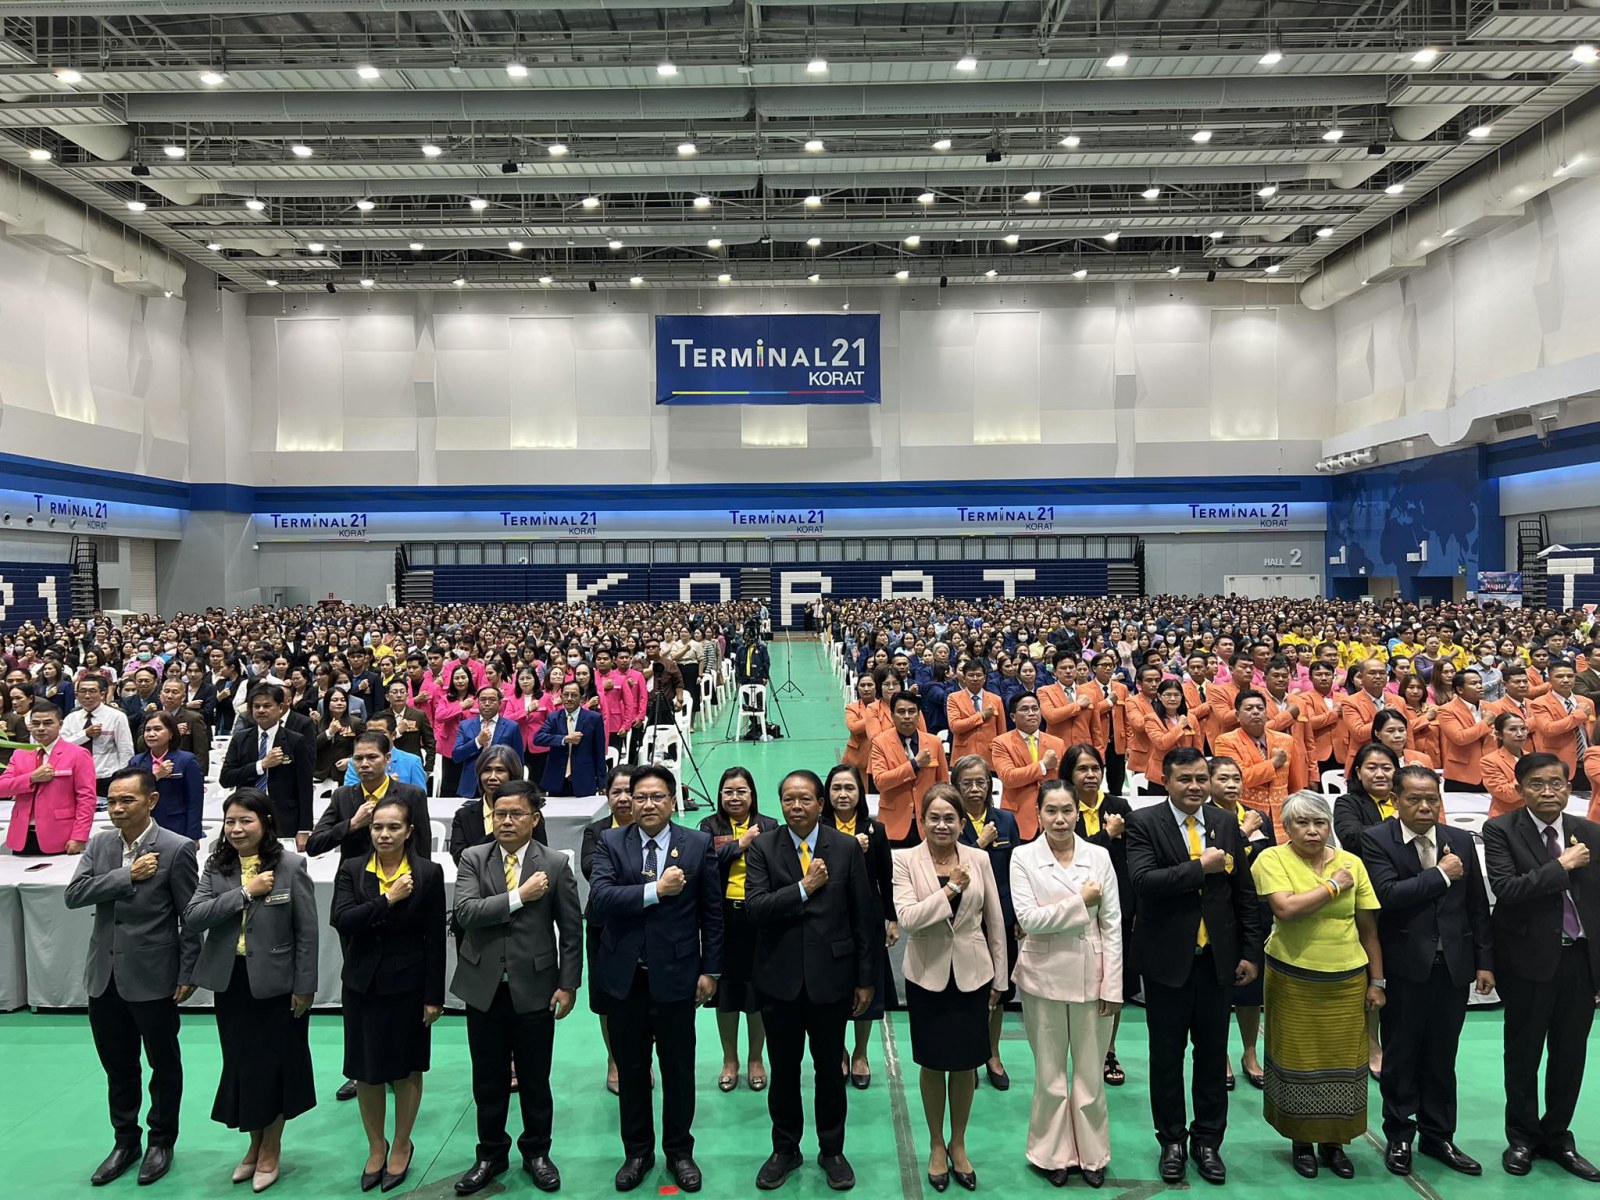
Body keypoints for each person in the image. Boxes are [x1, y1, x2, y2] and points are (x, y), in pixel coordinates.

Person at [1126, 747, 1265, 1186]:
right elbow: (1144, 882)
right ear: (1166, 781)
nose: (1195, 787)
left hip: (1217, 962)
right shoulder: (1144, 822)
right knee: (1166, 1058)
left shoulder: (1224, 822)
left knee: (1211, 1057)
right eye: (1185, 779)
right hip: (1167, 963)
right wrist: (1198, 867)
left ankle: (1208, 1142)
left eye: (1201, 778)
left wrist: (1250, 952)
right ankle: (1171, 1141)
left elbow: (1244, 893)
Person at [587, 764, 723, 1194]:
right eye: (640, 797)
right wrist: (655, 890)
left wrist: (711, 970)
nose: (648, 804)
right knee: (632, 1070)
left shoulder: (697, 844)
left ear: (672, 800)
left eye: (657, 796)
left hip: (678, 977)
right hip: (625, 978)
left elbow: (712, 914)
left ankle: (680, 1151)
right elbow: (601, 898)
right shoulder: (611, 842)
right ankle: (637, 1152)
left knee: (679, 1070)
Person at [64, 766, 201, 1187]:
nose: (117, 809)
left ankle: (162, 1140)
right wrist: (127, 876)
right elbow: (74, 895)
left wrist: (187, 969)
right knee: (118, 1066)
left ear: (151, 801)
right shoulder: (100, 844)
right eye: (112, 801)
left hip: (154, 975)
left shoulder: (177, 848)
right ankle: (125, 1141)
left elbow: (191, 917)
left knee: (163, 1064)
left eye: (127, 800)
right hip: (103, 976)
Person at [744, 769, 878, 1192]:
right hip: (779, 980)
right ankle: (785, 1149)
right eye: (788, 799)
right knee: (783, 1071)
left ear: (821, 804)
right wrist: (803, 888)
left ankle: (832, 1149)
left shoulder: (846, 848)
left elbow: (863, 916)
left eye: (805, 799)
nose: (796, 806)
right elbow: (756, 908)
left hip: (832, 980)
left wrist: (865, 979)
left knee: (829, 1071)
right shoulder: (763, 847)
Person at [450, 782, 582, 1196]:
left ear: (534, 818)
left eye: (516, 814)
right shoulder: (474, 858)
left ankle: (537, 1152)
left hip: (536, 988)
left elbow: (571, 930)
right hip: (483, 988)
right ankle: (490, 1154)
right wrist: (519, 896)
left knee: (535, 1078)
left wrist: (568, 984)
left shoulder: (556, 864)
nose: (506, 821)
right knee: (487, 1080)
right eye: (499, 814)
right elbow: (465, 913)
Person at [183, 789, 318, 1193]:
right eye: (230, 821)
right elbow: (194, 916)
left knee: (275, 1068)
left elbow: (306, 932)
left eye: (246, 820)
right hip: (233, 983)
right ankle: (254, 1145)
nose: (237, 829)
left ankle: (271, 1148)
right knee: (243, 1067)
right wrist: (244, 893)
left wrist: (305, 986)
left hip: (278, 985)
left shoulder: (290, 865)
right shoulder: (217, 865)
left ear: (265, 822)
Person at [1362, 767, 1494, 1178]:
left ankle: (1439, 1136)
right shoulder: (1377, 839)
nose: (1424, 807)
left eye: (1432, 799)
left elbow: (1477, 906)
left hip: (1453, 966)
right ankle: (1399, 1135)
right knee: (1401, 1054)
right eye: (1414, 799)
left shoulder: (1459, 840)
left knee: (1442, 1055)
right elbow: (1387, 895)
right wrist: (1440, 874)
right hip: (1404, 967)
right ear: (1396, 801)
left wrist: (1484, 961)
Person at [1250, 791, 1384, 1179]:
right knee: (1298, 1060)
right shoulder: (1271, 858)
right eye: (1302, 823)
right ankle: (1301, 1141)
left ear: (1330, 826)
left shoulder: (1352, 862)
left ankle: (1334, 1142)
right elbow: (1286, 909)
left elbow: (1368, 929)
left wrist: (1377, 981)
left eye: (1320, 823)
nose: (1312, 830)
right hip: (1292, 976)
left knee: (1343, 1063)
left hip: (1347, 978)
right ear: (1287, 827)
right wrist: (1332, 887)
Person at [1483, 752, 1600, 1182]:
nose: (1548, 791)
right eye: (1537, 784)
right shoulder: (1500, 830)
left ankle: (1557, 1137)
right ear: (1519, 789)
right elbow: (1508, 889)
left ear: (1569, 788)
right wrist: (1561, 865)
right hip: (1527, 963)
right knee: (1523, 1053)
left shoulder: (1591, 832)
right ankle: (1521, 1137)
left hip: (1580, 961)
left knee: (1570, 1054)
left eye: (1556, 783)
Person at [892, 783, 1007, 1192]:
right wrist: (950, 889)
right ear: (921, 821)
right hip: (927, 977)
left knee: (965, 1064)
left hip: (973, 975)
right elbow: (908, 918)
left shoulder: (979, 858)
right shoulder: (905, 860)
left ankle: (958, 1143)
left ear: (962, 822)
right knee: (932, 1063)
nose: (942, 825)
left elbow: (995, 919)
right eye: (934, 818)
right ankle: (936, 1144)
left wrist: (1000, 977)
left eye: (950, 819)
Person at [1009, 775, 1123, 1189]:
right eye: (1051, 811)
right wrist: (1081, 903)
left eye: (1067, 811)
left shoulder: (1099, 856)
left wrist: (1114, 985)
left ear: (1079, 813)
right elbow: (1028, 920)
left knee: (1090, 1074)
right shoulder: (1022, 857)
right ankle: (1051, 1153)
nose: (1060, 819)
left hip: (1093, 975)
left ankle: (1093, 1154)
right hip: (1042, 977)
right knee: (1051, 1074)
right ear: (1038, 814)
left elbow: (1112, 925)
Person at [330, 795, 446, 1193]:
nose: (384, 834)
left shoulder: (428, 873)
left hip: (409, 986)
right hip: (361, 985)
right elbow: (342, 920)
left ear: (409, 831)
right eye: (378, 827)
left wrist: (434, 996)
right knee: (366, 1070)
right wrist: (387, 899)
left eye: (393, 827)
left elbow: (434, 938)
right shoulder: (352, 869)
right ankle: (376, 1146)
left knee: (406, 1069)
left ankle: (401, 1143)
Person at [1060, 744, 1137, 1087]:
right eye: (1082, 769)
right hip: (1074, 907)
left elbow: (1135, 857)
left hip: (1117, 906)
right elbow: (1076, 857)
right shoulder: (1063, 809)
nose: (1090, 775)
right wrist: (1108, 835)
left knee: (1113, 979)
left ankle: (1108, 1050)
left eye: (1095, 768)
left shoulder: (1119, 807)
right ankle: (1075, 1051)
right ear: (1069, 775)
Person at [699, 767, 779, 1094]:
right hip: (723, 921)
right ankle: (729, 1060)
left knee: (757, 994)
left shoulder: (770, 825)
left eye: (741, 791)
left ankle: (756, 1059)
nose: (734, 797)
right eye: (728, 791)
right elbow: (704, 862)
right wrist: (740, 844)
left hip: (759, 920)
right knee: (727, 995)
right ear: (720, 795)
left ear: (752, 794)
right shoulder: (709, 827)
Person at [821, 762, 899, 1090]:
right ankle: (838, 1049)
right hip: (829, 920)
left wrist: (892, 918)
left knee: (868, 985)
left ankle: (861, 1053)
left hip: (868, 921)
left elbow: (885, 877)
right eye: (836, 788)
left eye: (849, 788)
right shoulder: (818, 829)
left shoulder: (875, 830)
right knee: (834, 989)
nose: (843, 794)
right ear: (827, 794)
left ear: (860, 793)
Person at [1206, 755, 1275, 1091]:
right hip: (1218, 912)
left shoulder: (1259, 817)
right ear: (1208, 783)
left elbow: (1271, 859)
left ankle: (1250, 1053)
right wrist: (1244, 833)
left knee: (1250, 991)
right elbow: (1217, 863)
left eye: (1236, 778)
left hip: (1253, 910)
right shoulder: (1203, 819)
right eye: (1223, 778)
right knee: (1218, 991)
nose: (1232, 784)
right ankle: (1219, 1055)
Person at [583, 766, 635, 1093]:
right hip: (603, 926)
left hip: (643, 925)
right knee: (606, 999)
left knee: (640, 996)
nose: (624, 798)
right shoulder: (596, 832)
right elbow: (592, 870)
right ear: (607, 795)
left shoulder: (652, 829)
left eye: (630, 791)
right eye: (617, 792)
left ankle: (640, 1059)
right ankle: (614, 1059)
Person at [308, 731, 432, 865]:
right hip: (353, 876)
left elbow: (423, 848)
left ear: (387, 758)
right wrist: (352, 824)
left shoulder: (412, 795)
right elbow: (313, 845)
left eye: (372, 757)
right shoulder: (342, 796)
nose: (364, 764)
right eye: (358, 758)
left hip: (400, 874)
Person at [219, 685, 315, 852]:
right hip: (247, 815)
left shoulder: (295, 740)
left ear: (280, 707)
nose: (261, 710)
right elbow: (226, 778)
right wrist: (261, 765)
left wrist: (304, 829)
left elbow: (305, 787)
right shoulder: (240, 739)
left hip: (284, 817)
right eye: (256, 706)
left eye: (267, 705)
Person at [0, 701, 97, 855]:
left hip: (60, 836)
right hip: (22, 836)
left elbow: (87, 798)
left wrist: (79, 836)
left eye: (47, 723)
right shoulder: (20, 754)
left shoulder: (78, 754)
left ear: (60, 724)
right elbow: (2, 788)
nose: (41, 728)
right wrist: (31, 778)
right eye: (35, 724)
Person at [1213, 690, 1305, 829]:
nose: (1255, 712)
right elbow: (1241, 779)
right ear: (1237, 715)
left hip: (1282, 818)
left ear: (1266, 713)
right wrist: (1273, 763)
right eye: (1249, 708)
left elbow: (1295, 785)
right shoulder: (1225, 741)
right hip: (1246, 818)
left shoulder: (1286, 740)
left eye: (1260, 708)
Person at [869, 690, 949, 847]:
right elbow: (880, 782)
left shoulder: (934, 743)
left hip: (928, 824)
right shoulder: (880, 743)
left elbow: (943, 785)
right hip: (893, 825)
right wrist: (914, 764)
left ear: (919, 715)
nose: (907, 716)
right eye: (901, 712)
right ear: (892, 716)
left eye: (912, 711)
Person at [448, 745, 542, 862]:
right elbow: (460, 858)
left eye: (500, 770)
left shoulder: (529, 814)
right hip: (475, 874)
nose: (492, 777)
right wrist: (500, 831)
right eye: (487, 770)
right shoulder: (463, 816)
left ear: (512, 774)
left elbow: (540, 857)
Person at [991, 691, 1065, 841]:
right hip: (1018, 818)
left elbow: (1064, 780)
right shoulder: (1001, 743)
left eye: (1035, 708)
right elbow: (1009, 778)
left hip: (1053, 817)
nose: (1031, 713)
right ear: (1013, 717)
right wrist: (1043, 765)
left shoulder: (1057, 743)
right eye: (1025, 709)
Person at [128, 711, 206, 841]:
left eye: (157, 729)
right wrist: (155, 776)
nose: (151, 734)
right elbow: (130, 791)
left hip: (176, 827)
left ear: (171, 733)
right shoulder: (136, 761)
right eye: (148, 730)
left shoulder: (186, 760)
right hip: (142, 827)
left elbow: (195, 801)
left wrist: (193, 836)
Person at [60, 674, 136, 799]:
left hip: (106, 776)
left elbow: (125, 749)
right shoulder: (71, 718)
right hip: (76, 776)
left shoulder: (116, 716)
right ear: (76, 695)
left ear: (102, 694)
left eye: (92, 691)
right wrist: (85, 734)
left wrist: (123, 777)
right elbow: (62, 746)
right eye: (83, 691)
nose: (87, 695)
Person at [534, 679, 606, 797]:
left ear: (582, 698)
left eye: (574, 695)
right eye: (566, 695)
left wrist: (602, 783)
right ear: (561, 697)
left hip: (584, 779)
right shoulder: (554, 717)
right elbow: (538, 738)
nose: (569, 698)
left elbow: (599, 752)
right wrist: (564, 739)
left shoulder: (594, 718)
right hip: (557, 780)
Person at [1528, 664, 1596, 790]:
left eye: (1570, 676)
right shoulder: (1540, 703)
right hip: (1558, 762)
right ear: (1549, 679)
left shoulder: (1586, 701)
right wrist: (1578, 715)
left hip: (1588, 761)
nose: (1566, 680)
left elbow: (1592, 732)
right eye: (1560, 676)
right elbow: (1548, 729)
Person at [342, 708, 429, 791]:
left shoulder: (412, 762)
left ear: (393, 735)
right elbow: (349, 794)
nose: (374, 736)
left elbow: (419, 797)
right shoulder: (356, 761)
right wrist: (382, 784)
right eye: (370, 732)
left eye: (380, 732)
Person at [1439, 668, 1495, 792]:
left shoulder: (1491, 707)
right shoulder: (1447, 710)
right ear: (1460, 689)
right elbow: (1460, 738)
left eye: (1480, 682)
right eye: (1474, 683)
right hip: (1461, 776)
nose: (1480, 686)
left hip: (1491, 772)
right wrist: (1485, 723)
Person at [947, 660, 1004, 767]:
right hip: (963, 757)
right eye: (971, 675)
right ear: (964, 678)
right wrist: (982, 715)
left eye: (978, 675)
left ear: (985, 678)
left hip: (989, 757)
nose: (975, 678)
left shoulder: (996, 699)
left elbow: (1001, 732)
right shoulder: (953, 698)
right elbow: (955, 726)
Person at [1483, 711, 1530, 818]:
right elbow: (1507, 794)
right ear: (1499, 734)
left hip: (1532, 816)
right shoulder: (1489, 761)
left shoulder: (1531, 757)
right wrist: (1530, 775)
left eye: (1523, 729)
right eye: (1512, 729)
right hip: (1505, 818)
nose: (1520, 734)